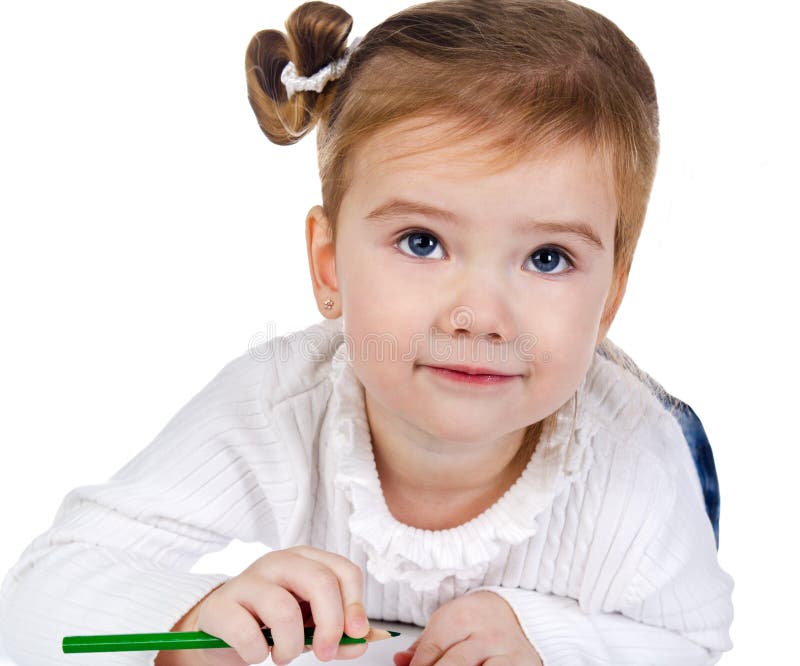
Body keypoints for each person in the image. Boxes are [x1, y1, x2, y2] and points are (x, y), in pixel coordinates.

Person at [0, 1, 735, 664]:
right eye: (421, 242)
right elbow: (40, 592)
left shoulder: (633, 462)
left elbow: (693, 644)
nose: (478, 316)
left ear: (610, 297)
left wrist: (546, 637)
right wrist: (189, 620)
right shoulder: (278, 407)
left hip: (651, 477)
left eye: (548, 258)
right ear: (328, 267)